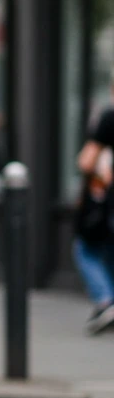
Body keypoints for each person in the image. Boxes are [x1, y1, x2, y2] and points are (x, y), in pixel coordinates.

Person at [75, 94, 114, 334]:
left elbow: (86, 162)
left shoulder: (109, 118)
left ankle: (105, 300)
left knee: (85, 249)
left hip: (108, 203)